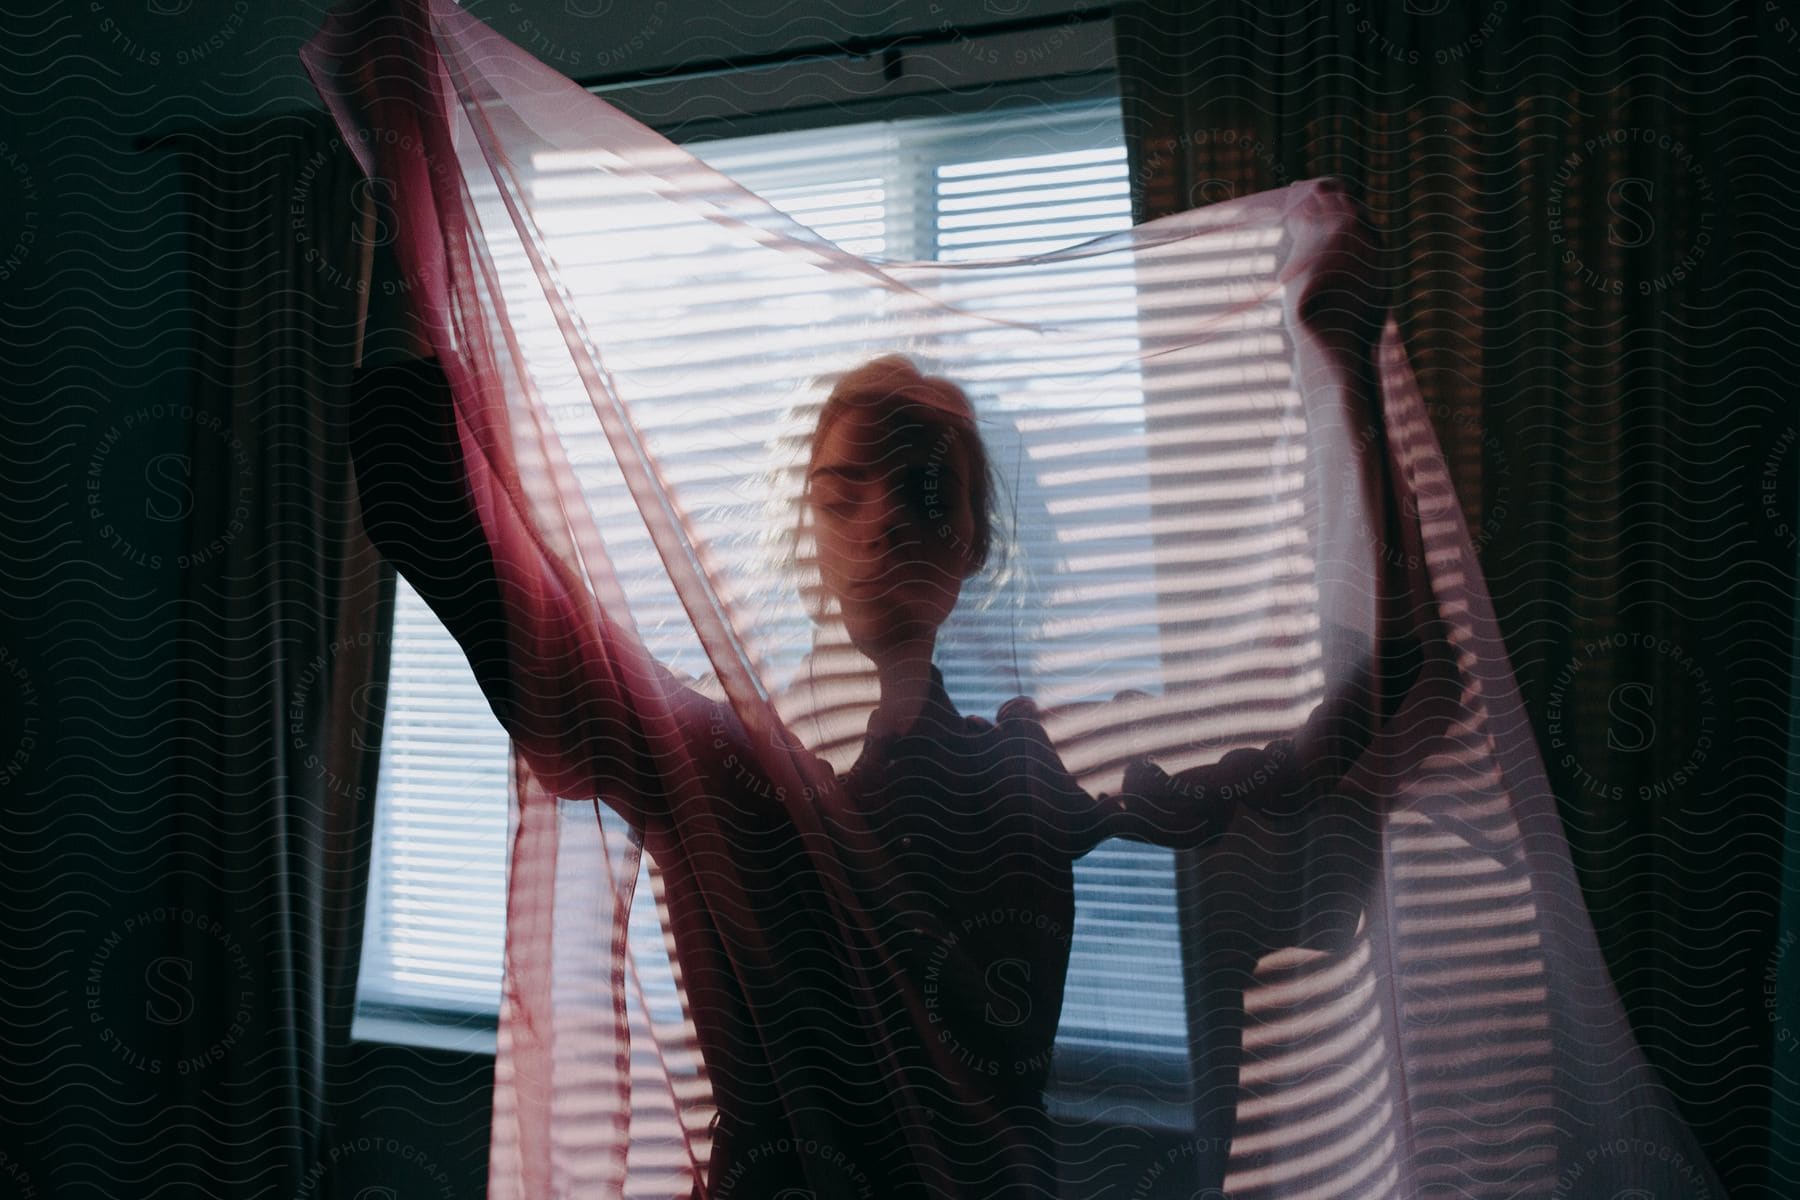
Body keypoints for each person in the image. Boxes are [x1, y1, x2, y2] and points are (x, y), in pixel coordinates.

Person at [346, 349, 1404, 1198]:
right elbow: (420, 500)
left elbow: (1359, 714)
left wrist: (1346, 363)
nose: (885, 520)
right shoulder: (712, 763)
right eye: (844, 492)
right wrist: (421, 245)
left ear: (975, 539)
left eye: (923, 490)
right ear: (805, 528)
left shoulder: (1031, 766)